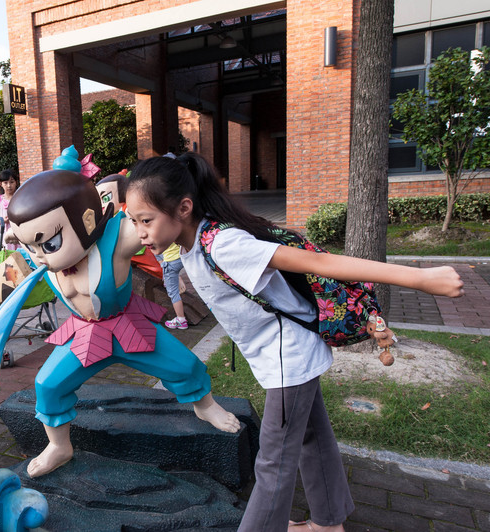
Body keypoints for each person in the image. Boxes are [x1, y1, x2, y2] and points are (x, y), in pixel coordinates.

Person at [125, 153, 465, 532]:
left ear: (184, 208)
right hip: (283, 358)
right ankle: (329, 521)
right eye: (133, 220)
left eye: (146, 220)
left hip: (289, 361)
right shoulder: (190, 244)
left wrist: (419, 278)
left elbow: (320, 263)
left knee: (273, 464)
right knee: (310, 437)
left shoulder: (223, 245)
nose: (139, 231)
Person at [6, 169, 241, 479]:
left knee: (185, 365)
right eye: (32, 246)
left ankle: (205, 405)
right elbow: (30, 255)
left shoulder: (117, 240)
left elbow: (154, 218)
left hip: (128, 328)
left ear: (88, 221)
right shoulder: (40, 254)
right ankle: (59, 446)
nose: (40, 256)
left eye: (48, 245)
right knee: (48, 385)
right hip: (84, 333)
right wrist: (19, 245)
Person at [0, 169, 20, 255]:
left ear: (16, 182)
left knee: (20, 256)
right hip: (4, 233)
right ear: (1, 184)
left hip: (18, 232)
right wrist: (2, 220)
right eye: (5, 183)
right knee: (5, 256)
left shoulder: (19, 198)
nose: (9, 185)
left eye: (12, 182)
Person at [158, 242, 188, 330]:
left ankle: (181, 320)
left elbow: (157, 253)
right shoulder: (171, 228)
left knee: (173, 292)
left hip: (170, 262)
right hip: (182, 256)